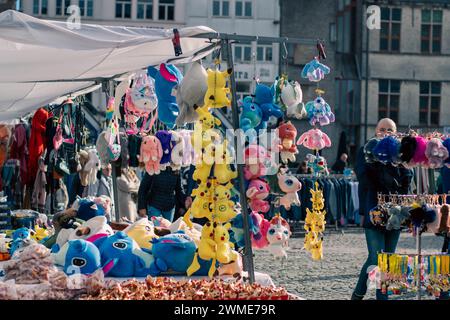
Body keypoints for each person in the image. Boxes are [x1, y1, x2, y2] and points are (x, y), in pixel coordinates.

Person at [351, 118, 413, 300]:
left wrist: (403, 166)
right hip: (374, 209)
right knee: (376, 257)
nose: (385, 133)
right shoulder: (367, 150)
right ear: (376, 131)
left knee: (388, 258)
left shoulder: (399, 153)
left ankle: (382, 297)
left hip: (396, 211)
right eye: (382, 129)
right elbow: (365, 179)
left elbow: (406, 181)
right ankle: (358, 295)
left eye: (389, 130)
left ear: (395, 133)